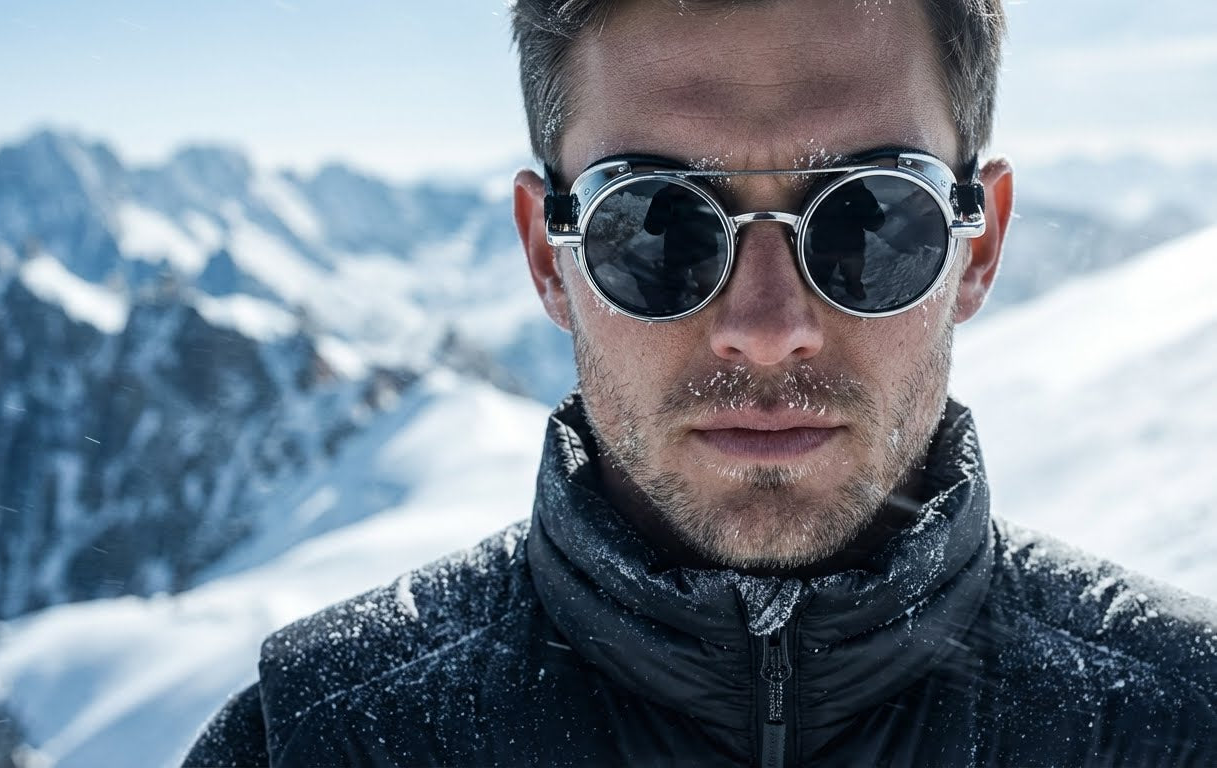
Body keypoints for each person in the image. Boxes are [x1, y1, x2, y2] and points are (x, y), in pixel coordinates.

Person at [184, 0, 1217, 765]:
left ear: (977, 246)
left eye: (868, 218)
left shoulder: (1187, 724)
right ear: (549, 259)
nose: (765, 331)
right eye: (657, 225)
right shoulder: (312, 741)